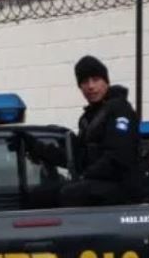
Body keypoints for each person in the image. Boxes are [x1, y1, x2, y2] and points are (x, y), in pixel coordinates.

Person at [24, 56, 141, 207]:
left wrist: (85, 176)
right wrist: (35, 146)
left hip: (120, 188)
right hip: (95, 184)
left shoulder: (120, 110)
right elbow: (76, 157)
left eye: (96, 79)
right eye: (85, 82)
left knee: (69, 193)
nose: (91, 86)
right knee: (39, 195)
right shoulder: (88, 118)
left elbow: (119, 157)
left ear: (106, 81)